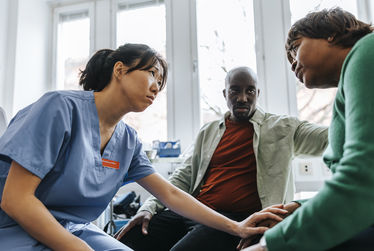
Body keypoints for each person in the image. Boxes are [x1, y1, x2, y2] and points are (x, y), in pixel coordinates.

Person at [0, 44, 284, 251]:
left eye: (160, 83)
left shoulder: (128, 141)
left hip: (72, 228)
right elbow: (15, 200)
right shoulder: (59, 108)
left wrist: (236, 226)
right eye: (152, 74)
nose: (156, 88)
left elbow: (172, 194)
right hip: (13, 226)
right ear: (120, 70)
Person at [117, 66, 328, 251]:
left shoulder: (284, 128)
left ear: (258, 93)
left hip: (237, 219)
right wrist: (148, 208)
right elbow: (181, 178)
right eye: (235, 90)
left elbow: (332, 137)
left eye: (250, 91)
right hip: (196, 211)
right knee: (129, 240)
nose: (243, 98)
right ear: (225, 93)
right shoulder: (208, 132)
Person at [242, 8, 374, 251]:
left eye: (295, 49)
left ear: (331, 34)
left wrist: (271, 246)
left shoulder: (372, 50)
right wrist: (295, 208)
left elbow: (367, 177)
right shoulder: (353, 83)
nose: (293, 63)